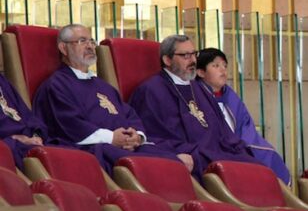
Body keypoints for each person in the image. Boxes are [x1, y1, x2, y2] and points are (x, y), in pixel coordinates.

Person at [33, 24, 186, 173]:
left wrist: (137, 136)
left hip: (125, 146)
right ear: (63, 48)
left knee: (176, 160)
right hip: (93, 149)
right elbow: (69, 125)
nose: (90, 46)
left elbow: (129, 113)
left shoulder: (103, 86)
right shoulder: (56, 85)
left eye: (92, 41)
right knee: (155, 166)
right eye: (82, 41)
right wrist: (112, 138)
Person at [129, 34, 259, 177]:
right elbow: (151, 136)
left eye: (194, 54)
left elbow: (224, 132)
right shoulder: (151, 91)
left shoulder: (200, 88)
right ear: (167, 59)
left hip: (217, 155)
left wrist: (240, 150)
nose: (193, 60)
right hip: (193, 161)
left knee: (258, 167)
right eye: (185, 56)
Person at [196, 48, 291, 183]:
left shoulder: (230, 96)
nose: (223, 70)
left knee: (270, 156)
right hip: (212, 149)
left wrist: (244, 147)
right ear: (200, 72)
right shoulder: (194, 95)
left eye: (224, 65)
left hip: (236, 146)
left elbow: (245, 126)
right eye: (216, 66)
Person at [0, 73, 47, 168]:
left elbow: (26, 115)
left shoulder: (1, 80)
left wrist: (35, 136)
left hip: (30, 141)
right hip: (10, 148)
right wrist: (14, 139)